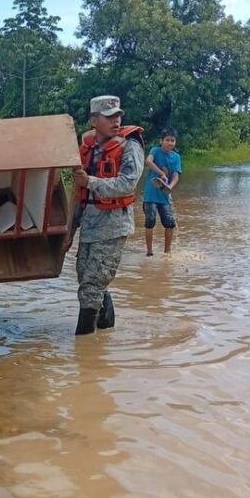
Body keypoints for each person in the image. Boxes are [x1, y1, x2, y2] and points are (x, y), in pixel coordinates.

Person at [72, 95, 145, 336]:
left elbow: (127, 183)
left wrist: (90, 181)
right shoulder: (87, 148)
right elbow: (78, 192)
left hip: (114, 224)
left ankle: (83, 347)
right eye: (109, 116)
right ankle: (105, 330)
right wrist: (69, 230)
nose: (116, 120)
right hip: (90, 223)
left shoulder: (129, 145)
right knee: (85, 277)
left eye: (118, 116)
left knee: (93, 284)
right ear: (94, 120)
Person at [142, 127, 182, 256]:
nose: (170, 143)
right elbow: (148, 161)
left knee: (169, 224)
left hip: (164, 195)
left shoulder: (176, 157)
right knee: (150, 222)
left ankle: (167, 251)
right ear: (161, 141)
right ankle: (149, 252)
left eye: (173, 140)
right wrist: (161, 173)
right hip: (150, 195)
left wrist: (170, 186)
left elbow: (176, 175)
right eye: (167, 140)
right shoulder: (155, 151)